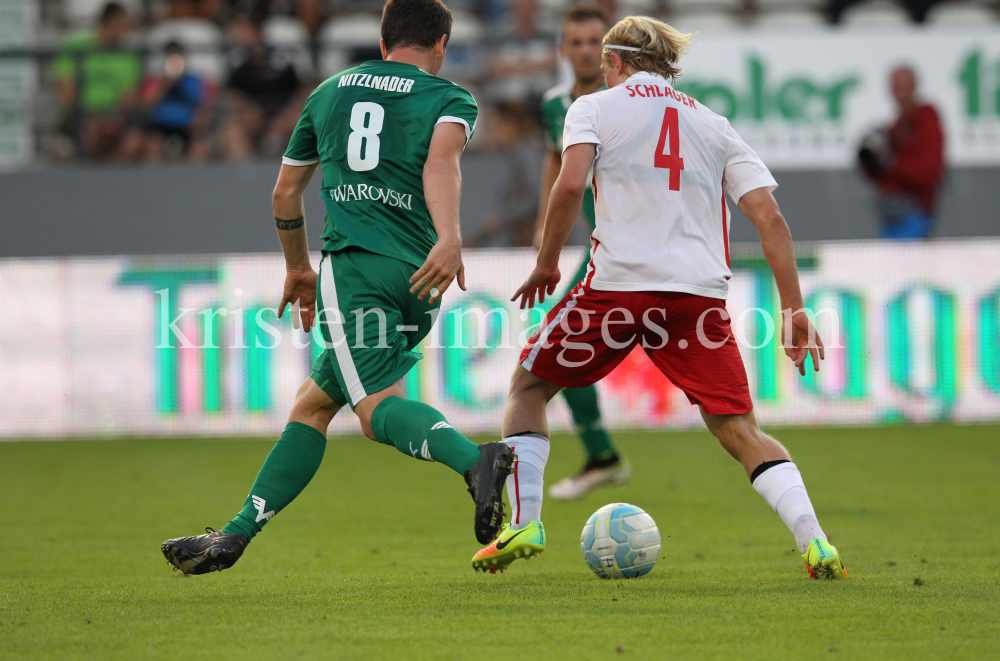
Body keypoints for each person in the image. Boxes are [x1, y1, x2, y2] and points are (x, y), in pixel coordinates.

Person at [471, 16, 847, 581]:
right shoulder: (714, 124)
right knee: (741, 430)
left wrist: (548, 262)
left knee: (528, 387)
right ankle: (816, 541)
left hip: (618, 289)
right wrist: (793, 311)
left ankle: (524, 521)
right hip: (696, 300)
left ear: (616, 63)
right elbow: (769, 215)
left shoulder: (593, 108)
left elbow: (570, 184)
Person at [161, 0, 514, 575]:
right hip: (423, 277)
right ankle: (233, 536)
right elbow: (440, 164)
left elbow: (284, 193)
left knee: (377, 413)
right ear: (442, 45)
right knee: (315, 403)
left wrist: (298, 268)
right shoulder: (451, 97)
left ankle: (477, 461)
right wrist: (449, 238)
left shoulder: (326, 95)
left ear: (382, 40)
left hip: (357, 274)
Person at [534, 5, 630, 502]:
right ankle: (601, 454)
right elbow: (556, 159)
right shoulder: (555, 105)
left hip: (633, 249)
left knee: (560, 341)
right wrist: (543, 231)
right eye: (579, 42)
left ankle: (603, 455)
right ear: (564, 49)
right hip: (604, 249)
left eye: (597, 42)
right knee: (561, 340)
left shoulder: (626, 100)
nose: (588, 50)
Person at [858, 65, 944, 240]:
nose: (899, 91)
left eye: (903, 85)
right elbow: (878, 175)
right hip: (891, 219)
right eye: (895, 85)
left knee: (911, 265)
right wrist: (872, 161)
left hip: (915, 216)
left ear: (915, 86)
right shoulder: (896, 128)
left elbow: (928, 174)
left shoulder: (927, 124)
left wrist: (892, 163)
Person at [52, 2, 143, 160]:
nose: (126, 31)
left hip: (113, 117)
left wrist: (116, 122)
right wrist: (89, 118)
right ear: (107, 22)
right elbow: (66, 94)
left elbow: (128, 98)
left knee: (135, 141)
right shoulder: (76, 48)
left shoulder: (128, 56)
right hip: (81, 115)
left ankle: (113, 182)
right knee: (89, 134)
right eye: (122, 25)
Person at [222, 13, 307, 159]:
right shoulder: (239, 67)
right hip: (253, 117)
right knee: (231, 129)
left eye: (246, 33)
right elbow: (233, 95)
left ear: (259, 34)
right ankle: (244, 176)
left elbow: (302, 93)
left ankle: (300, 176)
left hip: (284, 115)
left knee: (304, 123)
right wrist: (246, 110)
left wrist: (282, 120)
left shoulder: (283, 65)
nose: (241, 38)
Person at [140, 41, 213, 161]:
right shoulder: (155, 80)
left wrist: (199, 121)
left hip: (188, 127)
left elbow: (205, 105)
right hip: (160, 127)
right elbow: (146, 106)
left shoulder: (195, 80)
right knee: (153, 145)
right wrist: (166, 84)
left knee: (199, 147)